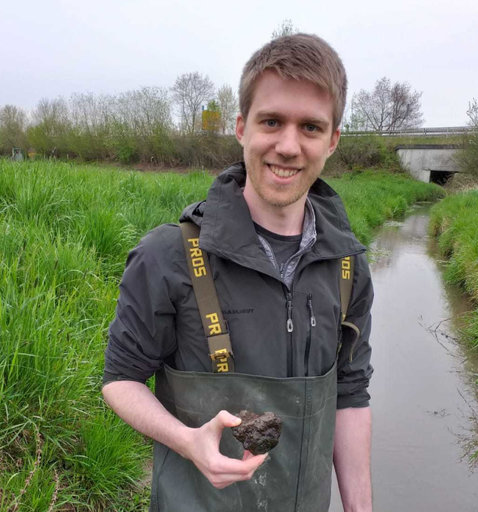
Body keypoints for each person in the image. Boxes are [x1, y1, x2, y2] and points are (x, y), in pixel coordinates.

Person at [102, 33, 373, 512]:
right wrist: (187, 440)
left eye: (310, 127)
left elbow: (350, 396)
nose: (288, 146)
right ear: (241, 127)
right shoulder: (168, 255)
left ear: (332, 141)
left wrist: (360, 507)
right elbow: (120, 380)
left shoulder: (348, 264)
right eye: (272, 121)